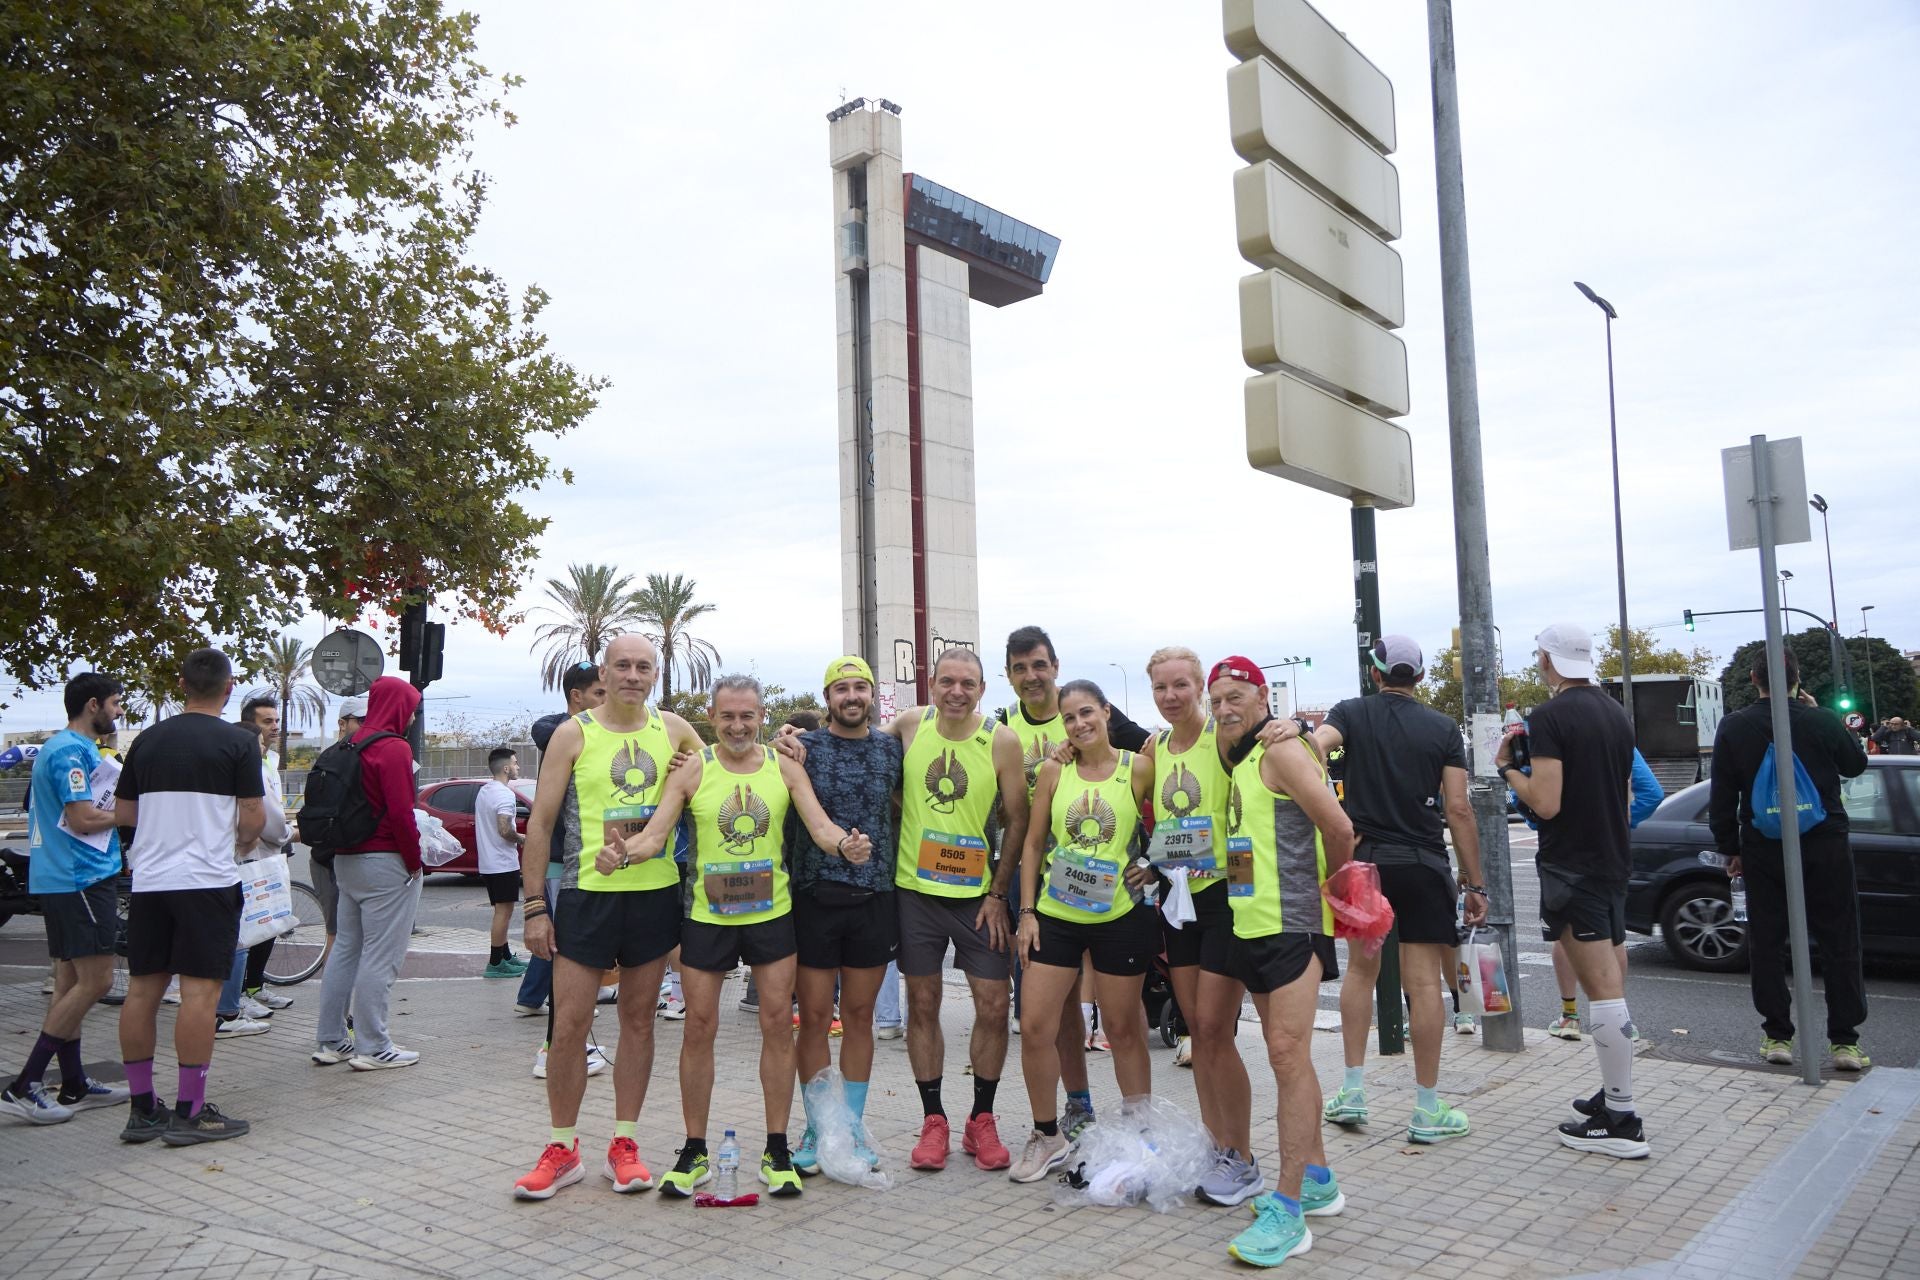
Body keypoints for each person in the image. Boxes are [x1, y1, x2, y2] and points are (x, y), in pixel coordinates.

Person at [612, 673, 868, 1199]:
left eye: (747, 716)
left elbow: (820, 827)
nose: (737, 725)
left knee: (777, 1025)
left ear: (761, 717)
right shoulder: (693, 771)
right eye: (727, 716)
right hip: (707, 918)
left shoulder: (784, 767)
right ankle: (694, 1149)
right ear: (712, 717)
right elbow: (657, 834)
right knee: (698, 1028)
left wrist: (847, 846)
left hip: (772, 915)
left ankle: (776, 1149)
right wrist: (624, 853)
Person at [1263, 635, 1486, 1148]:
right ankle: (1428, 1107)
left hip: (1367, 863)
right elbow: (1458, 809)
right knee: (1425, 983)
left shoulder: (1351, 714)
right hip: (1426, 863)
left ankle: (1354, 1090)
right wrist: (1474, 883)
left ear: (1375, 673)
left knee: (1362, 974)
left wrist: (1338, 814)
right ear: (1421, 677)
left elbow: (1313, 749)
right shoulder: (1444, 728)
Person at [513, 636, 700, 1200]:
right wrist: (534, 908)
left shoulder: (674, 729)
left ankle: (624, 1143)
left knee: (639, 1022)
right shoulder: (575, 733)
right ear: (605, 671)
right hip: (587, 895)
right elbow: (541, 826)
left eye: (644, 667)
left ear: (655, 673)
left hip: (654, 896)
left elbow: (723, 775)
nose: (633, 675)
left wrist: (785, 748)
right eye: (623, 665)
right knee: (568, 1027)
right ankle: (563, 1148)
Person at [1206, 658, 1352, 1267]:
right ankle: (1317, 1178)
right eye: (1217, 701)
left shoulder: (1282, 751)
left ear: (1263, 695)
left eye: (1235, 697)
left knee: (1288, 1055)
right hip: (1252, 922)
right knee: (1282, 1051)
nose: (1224, 709)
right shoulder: (1242, 756)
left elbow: (1340, 827)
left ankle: (1289, 1209)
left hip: (1293, 924)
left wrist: (1341, 894)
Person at [1498, 623, 1647, 1160]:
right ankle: (1612, 1095)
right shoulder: (1615, 714)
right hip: (1610, 857)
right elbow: (1626, 792)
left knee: (1604, 991)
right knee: (1611, 977)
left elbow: (1546, 802)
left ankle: (1623, 1119)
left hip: (1572, 864)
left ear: (1548, 659)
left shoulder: (1551, 718)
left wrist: (1507, 771)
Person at [998, 625, 1148, 1138]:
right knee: (1050, 1016)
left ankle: (1138, 1130)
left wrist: (1151, 863)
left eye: (1039, 665)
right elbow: (1027, 835)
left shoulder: (1123, 745)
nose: (1031, 675)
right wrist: (1022, 907)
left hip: (1117, 905)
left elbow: (1173, 785)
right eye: (1020, 668)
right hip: (1047, 898)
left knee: (1123, 1022)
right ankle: (1072, 1112)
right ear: (1010, 676)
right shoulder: (1008, 730)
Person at [115, 648, 266, 1145]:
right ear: (228, 689)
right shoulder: (238, 743)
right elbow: (252, 815)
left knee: (142, 990)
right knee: (199, 995)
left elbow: (124, 812)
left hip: (151, 881)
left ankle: (142, 1109)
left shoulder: (147, 741)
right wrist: (239, 843)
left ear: (182, 685)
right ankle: (190, 1111)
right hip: (207, 881)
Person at [888, 648, 1029, 1172]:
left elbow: (1016, 819)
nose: (956, 691)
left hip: (977, 901)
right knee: (922, 1004)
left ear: (982, 689)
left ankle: (981, 1120)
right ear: (931, 682)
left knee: (994, 1004)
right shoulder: (908, 725)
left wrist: (997, 894)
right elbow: (855, 751)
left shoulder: (1001, 740)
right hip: (916, 894)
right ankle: (933, 1121)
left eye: (967, 683)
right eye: (947, 680)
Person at [1133, 646, 1262, 1207]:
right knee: (1195, 1030)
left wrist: (1242, 885)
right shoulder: (1153, 750)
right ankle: (1217, 1150)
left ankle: (1244, 1155)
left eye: (1181, 685)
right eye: (1161, 688)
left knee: (1216, 1028)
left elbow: (1249, 809)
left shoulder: (1225, 738)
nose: (1170, 697)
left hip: (1224, 902)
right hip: (1175, 901)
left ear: (1198, 688)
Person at [1709, 649, 1871, 1070]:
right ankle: (1844, 1043)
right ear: (1798, 679)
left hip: (1763, 846)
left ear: (1753, 678)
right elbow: (1855, 765)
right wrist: (1822, 716)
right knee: (1839, 940)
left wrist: (1731, 849)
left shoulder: (1734, 726)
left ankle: (1777, 1036)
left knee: (1766, 942)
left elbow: (1722, 795)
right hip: (1825, 842)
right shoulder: (1819, 720)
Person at [787, 657, 903, 1175]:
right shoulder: (799, 749)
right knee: (813, 1018)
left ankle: (850, 1127)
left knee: (859, 1018)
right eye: (841, 688)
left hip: (875, 897)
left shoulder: (891, 749)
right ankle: (817, 1126)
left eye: (860, 687)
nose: (851, 696)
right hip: (814, 897)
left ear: (872, 694)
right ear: (828, 696)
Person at [1, 673, 133, 1124]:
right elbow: (81, 818)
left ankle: (74, 1083)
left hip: (64, 878)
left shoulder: (65, 749)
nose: (119, 711)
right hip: (79, 878)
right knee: (95, 982)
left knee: (69, 983)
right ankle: (25, 1084)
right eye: (115, 703)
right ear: (93, 704)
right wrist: (129, 813)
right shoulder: (71, 752)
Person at [311, 675, 424, 1073]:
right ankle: (373, 1045)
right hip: (385, 862)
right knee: (381, 956)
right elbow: (401, 813)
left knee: (346, 949)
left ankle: (331, 1040)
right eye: (410, 708)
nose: (411, 717)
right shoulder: (393, 748)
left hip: (345, 860)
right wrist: (414, 861)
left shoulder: (348, 744)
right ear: (399, 707)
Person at [1546, 747, 1662, 1040]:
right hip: (1612, 850)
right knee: (1613, 932)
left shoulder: (1553, 734)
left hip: (1566, 850)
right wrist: (1620, 821)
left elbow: (1535, 801)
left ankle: (1570, 1015)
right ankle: (1621, 1020)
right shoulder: (1615, 732)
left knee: (1566, 930)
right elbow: (1651, 793)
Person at [514, 663, 603, 1031]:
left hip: (578, 854)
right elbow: (545, 729)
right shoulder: (560, 732)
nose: (607, 701)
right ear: (576, 697)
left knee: (560, 932)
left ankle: (534, 997)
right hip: (558, 855)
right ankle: (558, 1030)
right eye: (600, 693)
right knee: (562, 935)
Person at [235, 696, 292, 1014]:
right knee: (252, 926)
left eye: (275, 721)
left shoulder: (269, 759)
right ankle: (241, 993)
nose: (274, 727)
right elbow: (266, 816)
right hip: (254, 856)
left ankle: (254, 987)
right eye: (265, 722)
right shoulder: (250, 762)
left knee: (267, 925)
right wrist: (287, 834)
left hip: (268, 856)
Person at [305, 694, 367, 973]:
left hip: (344, 858)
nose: (367, 726)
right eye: (362, 721)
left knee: (350, 938)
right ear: (343, 723)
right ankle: (338, 1010)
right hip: (330, 858)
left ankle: (342, 1008)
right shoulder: (336, 758)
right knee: (339, 936)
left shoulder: (354, 754)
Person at [476, 747, 530, 979]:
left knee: (502, 910)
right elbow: (504, 829)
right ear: (506, 768)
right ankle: (496, 962)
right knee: (504, 912)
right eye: (516, 763)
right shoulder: (504, 794)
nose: (518, 767)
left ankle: (506, 955)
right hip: (502, 863)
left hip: (489, 862)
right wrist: (522, 839)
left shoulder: (485, 791)